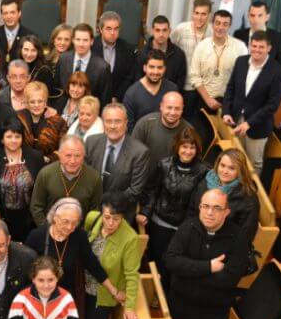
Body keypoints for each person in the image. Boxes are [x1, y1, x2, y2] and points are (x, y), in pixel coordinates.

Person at [165, 188, 249, 319]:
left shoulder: (238, 238)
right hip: (181, 305)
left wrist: (189, 272)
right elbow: (171, 260)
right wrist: (208, 267)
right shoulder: (188, 227)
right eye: (205, 206)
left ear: (226, 212)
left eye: (216, 208)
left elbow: (229, 279)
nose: (209, 213)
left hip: (211, 313)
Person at [137, 127, 208, 291]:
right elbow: (153, 190)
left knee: (177, 263)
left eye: (192, 147)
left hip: (186, 226)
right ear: (177, 147)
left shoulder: (204, 171)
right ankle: (157, 293)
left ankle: (170, 293)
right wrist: (145, 211)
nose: (188, 151)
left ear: (197, 149)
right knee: (159, 260)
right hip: (161, 221)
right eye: (184, 146)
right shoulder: (164, 164)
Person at [80, 192, 140, 319]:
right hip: (83, 284)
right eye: (107, 217)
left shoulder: (130, 239)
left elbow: (132, 275)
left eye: (117, 219)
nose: (111, 223)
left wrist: (129, 306)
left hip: (104, 293)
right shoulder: (92, 219)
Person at [26, 197, 107, 319]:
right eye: (65, 222)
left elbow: (92, 264)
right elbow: (26, 268)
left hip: (66, 299)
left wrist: (114, 290)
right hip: (41, 297)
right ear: (54, 218)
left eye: (74, 223)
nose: (70, 227)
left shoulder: (79, 236)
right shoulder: (37, 236)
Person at [222, 31, 281, 173]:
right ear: (249, 45)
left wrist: (249, 123)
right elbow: (230, 88)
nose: (256, 50)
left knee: (253, 164)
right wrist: (226, 112)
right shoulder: (241, 61)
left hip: (258, 126)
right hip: (235, 120)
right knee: (233, 158)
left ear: (269, 48)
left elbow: (272, 105)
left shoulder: (277, 71)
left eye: (261, 47)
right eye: (254, 46)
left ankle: (249, 193)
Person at [85, 103, 150, 218]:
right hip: (90, 210)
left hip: (119, 214)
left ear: (126, 123)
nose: (113, 126)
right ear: (103, 123)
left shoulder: (140, 152)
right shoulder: (91, 142)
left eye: (117, 121)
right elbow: (84, 175)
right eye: (108, 121)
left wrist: (108, 208)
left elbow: (135, 191)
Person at [189, 148, 260, 244]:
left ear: (240, 171)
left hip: (224, 247)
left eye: (231, 168)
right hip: (197, 239)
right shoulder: (204, 183)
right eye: (222, 165)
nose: (225, 171)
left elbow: (246, 234)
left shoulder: (249, 198)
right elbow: (192, 211)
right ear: (217, 164)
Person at [0, 117, 46, 242]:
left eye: (17, 136)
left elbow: (41, 188)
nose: (13, 140)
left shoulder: (35, 156)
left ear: (22, 138)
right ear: (2, 139)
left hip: (30, 219)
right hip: (3, 219)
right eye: (9, 136)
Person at [30, 135, 103, 225]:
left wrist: (84, 234)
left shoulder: (94, 178)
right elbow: (36, 206)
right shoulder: (45, 174)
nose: (72, 161)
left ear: (84, 156)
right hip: (50, 231)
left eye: (77, 156)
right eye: (68, 155)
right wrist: (47, 230)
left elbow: (95, 212)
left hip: (79, 233)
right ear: (59, 155)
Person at [189, 10, 248, 113]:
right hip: (204, 100)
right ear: (212, 24)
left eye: (225, 24)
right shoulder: (201, 46)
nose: (220, 28)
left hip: (229, 103)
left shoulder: (240, 47)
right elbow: (194, 76)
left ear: (229, 26)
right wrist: (208, 100)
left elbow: (244, 77)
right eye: (218, 23)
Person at [171, 0, 214, 121]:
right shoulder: (181, 29)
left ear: (209, 15)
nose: (199, 18)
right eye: (197, 13)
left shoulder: (213, 32)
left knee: (200, 123)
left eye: (203, 14)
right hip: (185, 86)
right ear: (192, 13)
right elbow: (170, 50)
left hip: (205, 88)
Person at [132, 92, 192, 171]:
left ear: (182, 109)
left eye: (177, 108)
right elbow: (132, 154)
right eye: (169, 108)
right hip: (145, 176)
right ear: (161, 106)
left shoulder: (189, 130)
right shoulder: (145, 124)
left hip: (173, 179)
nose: (172, 113)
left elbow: (192, 162)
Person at [123, 50, 178, 133]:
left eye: (159, 68)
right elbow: (129, 127)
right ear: (145, 68)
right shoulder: (132, 93)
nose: (155, 72)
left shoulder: (172, 89)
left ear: (164, 69)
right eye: (152, 67)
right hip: (141, 142)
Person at [58, 23, 112, 107]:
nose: (81, 44)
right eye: (78, 39)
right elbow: (57, 89)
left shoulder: (103, 67)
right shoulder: (63, 59)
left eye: (85, 40)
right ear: (73, 40)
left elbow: (105, 100)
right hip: (63, 113)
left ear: (91, 41)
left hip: (89, 115)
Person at [233, 1, 281, 77]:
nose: (256, 20)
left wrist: (276, 84)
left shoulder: (277, 38)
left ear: (267, 17)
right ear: (248, 16)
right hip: (239, 81)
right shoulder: (238, 35)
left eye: (260, 16)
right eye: (252, 15)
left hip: (265, 84)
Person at [91, 11, 136, 101]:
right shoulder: (91, 46)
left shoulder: (128, 49)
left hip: (117, 99)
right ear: (100, 29)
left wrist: (116, 97)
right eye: (108, 28)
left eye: (116, 29)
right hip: (93, 98)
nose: (113, 32)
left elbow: (129, 78)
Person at [17, 82, 67, 163]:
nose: (36, 105)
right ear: (27, 103)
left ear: (45, 101)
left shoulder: (58, 122)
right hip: (22, 165)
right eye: (32, 102)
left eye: (40, 101)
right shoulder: (17, 118)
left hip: (48, 167)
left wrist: (48, 159)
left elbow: (64, 149)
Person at [136, 15, 186, 90]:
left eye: (164, 30)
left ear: (169, 31)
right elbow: (138, 80)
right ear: (152, 31)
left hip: (170, 99)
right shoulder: (142, 54)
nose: (161, 34)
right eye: (158, 30)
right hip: (146, 98)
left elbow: (180, 82)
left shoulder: (179, 54)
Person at [0, 0, 35, 64]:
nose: (9, 16)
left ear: (19, 13)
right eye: (5, 13)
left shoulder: (30, 35)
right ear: (2, 15)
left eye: (12, 12)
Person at [19, 35, 56, 99]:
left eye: (33, 50)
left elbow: (45, 97)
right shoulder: (17, 65)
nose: (29, 54)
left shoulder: (44, 71)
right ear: (21, 50)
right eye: (26, 49)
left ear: (38, 52)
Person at [46, 23, 73, 96]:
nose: (62, 43)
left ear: (71, 42)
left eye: (66, 39)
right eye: (59, 39)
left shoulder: (75, 62)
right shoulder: (45, 60)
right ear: (53, 40)